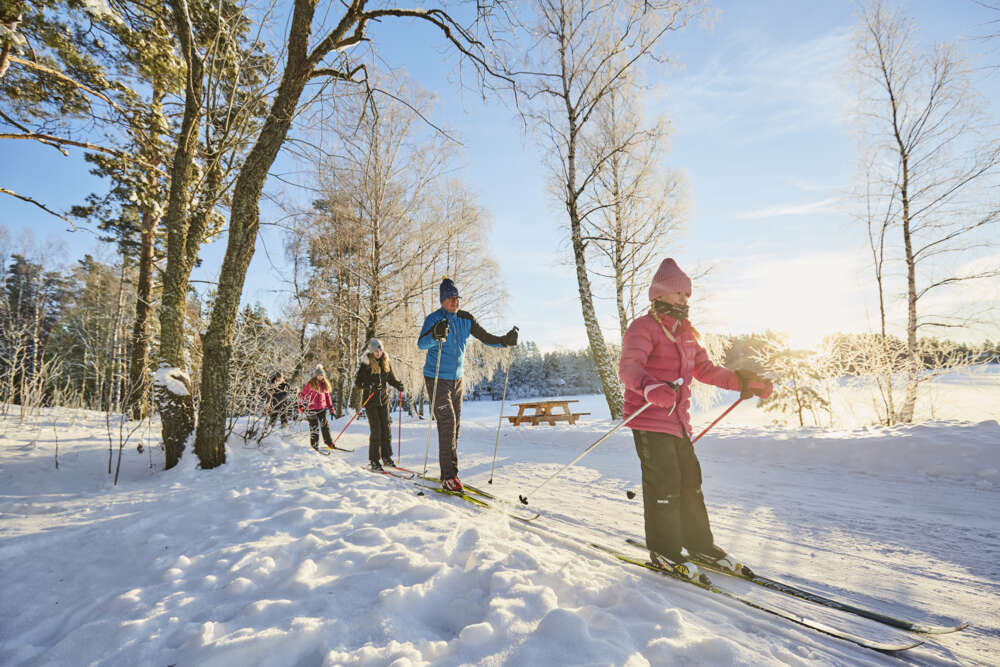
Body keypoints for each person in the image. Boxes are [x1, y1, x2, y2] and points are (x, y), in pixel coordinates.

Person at [618, 258, 773, 583]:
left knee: (690, 482)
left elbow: (705, 370)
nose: (684, 300)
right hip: (648, 418)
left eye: (687, 295)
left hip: (679, 422)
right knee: (665, 484)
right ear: (659, 295)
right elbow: (629, 367)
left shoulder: (688, 333)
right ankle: (665, 550)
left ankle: (699, 545)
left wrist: (743, 381)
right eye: (678, 294)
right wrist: (650, 388)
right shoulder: (642, 328)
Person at [417, 277, 518, 491]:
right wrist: (435, 336)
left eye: (457, 297)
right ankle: (449, 477)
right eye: (450, 298)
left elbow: (485, 337)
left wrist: (504, 341)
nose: (455, 301)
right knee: (447, 423)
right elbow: (421, 343)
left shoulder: (465, 319)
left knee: (455, 426)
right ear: (443, 300)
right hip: (436, 378)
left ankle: (451, 472)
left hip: (457, 379)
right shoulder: (434, 319)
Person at [355, 338, 405, 470]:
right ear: (371, 351)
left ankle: (386, 457)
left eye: (380, 350)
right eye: (376, 350)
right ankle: (374, 460)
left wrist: (398, 384)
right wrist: (370, 385)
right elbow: (358, 383)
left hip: (383, 400)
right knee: (376, 430)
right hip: (370, 401)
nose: (379, 352)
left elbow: (390, 378)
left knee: (386, 429)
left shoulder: (385, 362)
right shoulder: (366, 363)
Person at [298, 365, 334, 451]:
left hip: (322, 408)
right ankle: (314, 445)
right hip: (311, 409)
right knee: (314, 426)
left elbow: (327, 397)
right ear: (315, 375)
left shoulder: (325, 385)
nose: (320, 377)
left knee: (324, 426)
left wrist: (331, 407)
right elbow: (303, 395)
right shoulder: (310, 384)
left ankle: (329, 443)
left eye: (321, 375)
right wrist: (301, 406)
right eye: (318, 375)